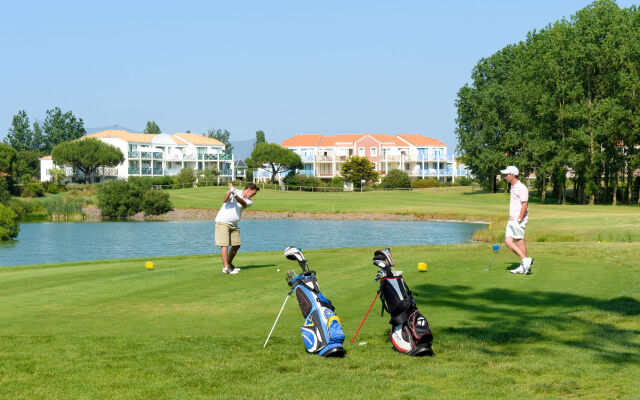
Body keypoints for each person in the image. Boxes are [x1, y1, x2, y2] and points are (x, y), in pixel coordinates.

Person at [214, 182, 259, 274]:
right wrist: (230, 191)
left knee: (236, 245)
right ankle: (226, 268)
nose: (253, 196)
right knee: (224, 244)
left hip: (234, 224)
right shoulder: (234, 191)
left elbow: (242, 202)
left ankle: (229, 265)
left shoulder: (249, 201)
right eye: (253, 193)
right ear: (248, 190)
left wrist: (233, 193)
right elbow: (225, 200)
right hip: (223, 221)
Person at [501, 166, 534, 275]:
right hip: (512, 220)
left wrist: (519, 219)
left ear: (513, 175)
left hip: (518, 220)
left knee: (519, 242)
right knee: (508, 242)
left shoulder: (521, 187)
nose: (505, 177)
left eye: (507, 175)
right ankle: (525, 261)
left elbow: (525, 204)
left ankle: (524, 265)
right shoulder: (513, 187)